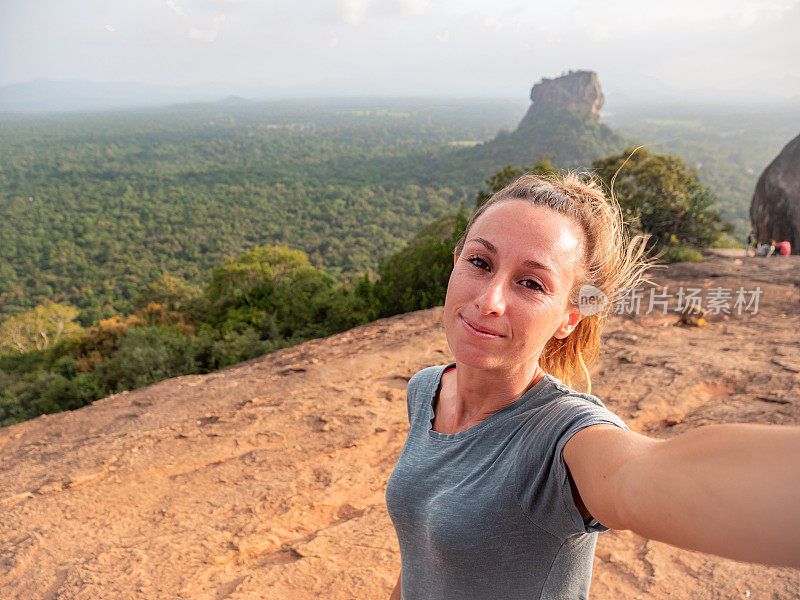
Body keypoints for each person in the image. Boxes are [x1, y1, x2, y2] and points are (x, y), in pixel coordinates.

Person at [384, 173, 800, 600]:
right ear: (456, 264)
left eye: (531, 283)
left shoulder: (561, 438)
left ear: (568, 317)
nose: (489, 300)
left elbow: (640, 473)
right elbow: (420, 557)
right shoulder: (427, 390)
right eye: (480, 262)